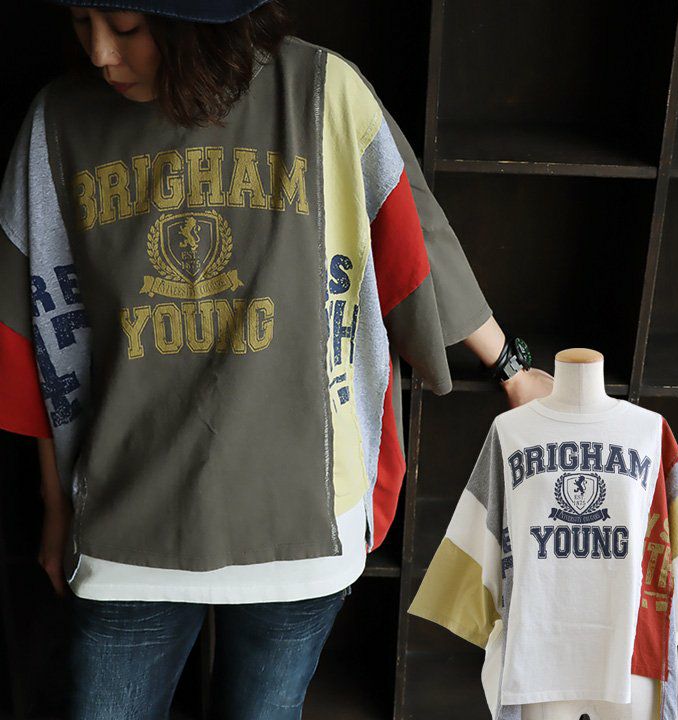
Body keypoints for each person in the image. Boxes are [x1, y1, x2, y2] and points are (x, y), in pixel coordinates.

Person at [0, 1, 553, 718]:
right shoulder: (58, 122)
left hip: (302, 526)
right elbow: (35, 331)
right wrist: (54, 508)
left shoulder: (321, 92)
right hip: (124, 531)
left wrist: (510, 366)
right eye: (82, 22)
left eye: (128, 27)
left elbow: (415, 237)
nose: (102, 53)